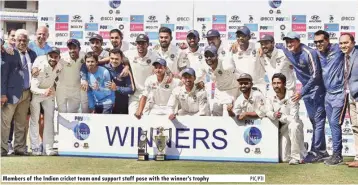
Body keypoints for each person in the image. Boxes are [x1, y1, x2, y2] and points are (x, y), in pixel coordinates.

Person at [280, 32, 328, 163]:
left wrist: (302, 92)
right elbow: (276, 46)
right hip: (306, 91)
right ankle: (322, 151)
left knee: (318, 121)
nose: (289, 44)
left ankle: (316, 151)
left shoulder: (309, 52)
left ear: (298, 41)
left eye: (292, 41)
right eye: (287, 41)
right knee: (314, 121)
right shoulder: (287, 49)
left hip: (317, 89)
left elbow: (316, 75)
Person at [314, 30, 347, 165]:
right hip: (327, 95)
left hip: (340, 93)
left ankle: (337, 155)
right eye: (316, 42)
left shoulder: (338, 49)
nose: (319, 44)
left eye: (321, 41)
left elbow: (351, 48)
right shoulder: (317, 53)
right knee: (331, 124)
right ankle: (334, 154)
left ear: (328, 40)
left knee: (334, 123)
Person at [1, 30, 37, 156]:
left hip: (27, 93)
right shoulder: (8, 53)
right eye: (19, 40)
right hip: (10, 94)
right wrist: (2, 94)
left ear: (28, 41)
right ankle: (2, 149)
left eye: (24, 40)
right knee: (5, 123)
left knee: (21, 123)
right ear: (15, 41)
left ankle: (20, 148)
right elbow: (3, 75)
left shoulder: (32, 54)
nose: (22, 42)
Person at [265, 73, 306, 165]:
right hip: (280, 127)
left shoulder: (292, 95)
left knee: (294, 125)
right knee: (284, 158)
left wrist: (281, 116)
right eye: (274, 83)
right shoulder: (269, 95)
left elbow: (293, 118)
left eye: (278, 83)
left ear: (284, 84)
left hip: (292, 124)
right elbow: (267, 111)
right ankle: (302, 147)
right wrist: (273, 114)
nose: (276, 85)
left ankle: (296, 157)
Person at [29, 47, 62, 156]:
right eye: (51, 56)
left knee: (49, 120)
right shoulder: (41, 67)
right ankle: (35, 148)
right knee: (35, 120)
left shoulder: (60, 65)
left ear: (59, 57)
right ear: (47, 56)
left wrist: (52, 89)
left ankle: (48, 148)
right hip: (37, 94)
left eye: (55, 57)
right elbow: (33, 88)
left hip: (48, 94)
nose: (53, 58)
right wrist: (44, 91)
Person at [124, 34, 159, 114]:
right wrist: (126, 65)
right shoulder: (129, 54)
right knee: (132, 117)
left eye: (143, 43)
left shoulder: (155, 56)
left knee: (146, 119)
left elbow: (164, 68)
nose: (140, 46)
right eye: (138, 43)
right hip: (134, 94)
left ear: (147, 44)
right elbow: (117, 56)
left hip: (149, 94)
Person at [204, 45, 240, 116]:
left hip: (231, 91)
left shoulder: (226, 65)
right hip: (218, 90)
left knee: (227, 114)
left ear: (217, 56)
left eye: (211, 56)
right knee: (214, 111)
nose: (208, 58)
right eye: (206, 56)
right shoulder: (205, 65)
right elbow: (197, 77)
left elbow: (238, 74)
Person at [339, 33, 358, 168]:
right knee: (356, 128)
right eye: (341, 43)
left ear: (353, 42)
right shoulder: (344, 57)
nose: (343, 46)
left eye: (346, 43)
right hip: (351, 96)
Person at [230, 26, 266, 93]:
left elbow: (270, 49)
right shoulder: (233, 50)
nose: (241, 38)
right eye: (238, 36)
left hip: (257, 86)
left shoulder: (257, 47)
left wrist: (262, 47)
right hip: (242, 87)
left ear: (249, 37)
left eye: (243, 36)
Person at [55, 39, 86, 113]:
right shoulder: (62, 57)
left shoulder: (83, 56)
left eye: (74, 48)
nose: (72, 50)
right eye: (70, 48)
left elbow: (92, 63)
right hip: (62, 89)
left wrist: (84, 79)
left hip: (76, 89)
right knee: (61, 112)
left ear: (79, 49)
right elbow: (53, 70)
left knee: (73, 113)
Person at [105, 48, 135, 114]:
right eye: (112, 58)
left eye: (116, 59)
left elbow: (131, 89)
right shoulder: (105, 67)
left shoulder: (125, 71)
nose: (114, 61)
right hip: (106, 104)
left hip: (121, 104)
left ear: (121, 59)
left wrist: (116, 88)